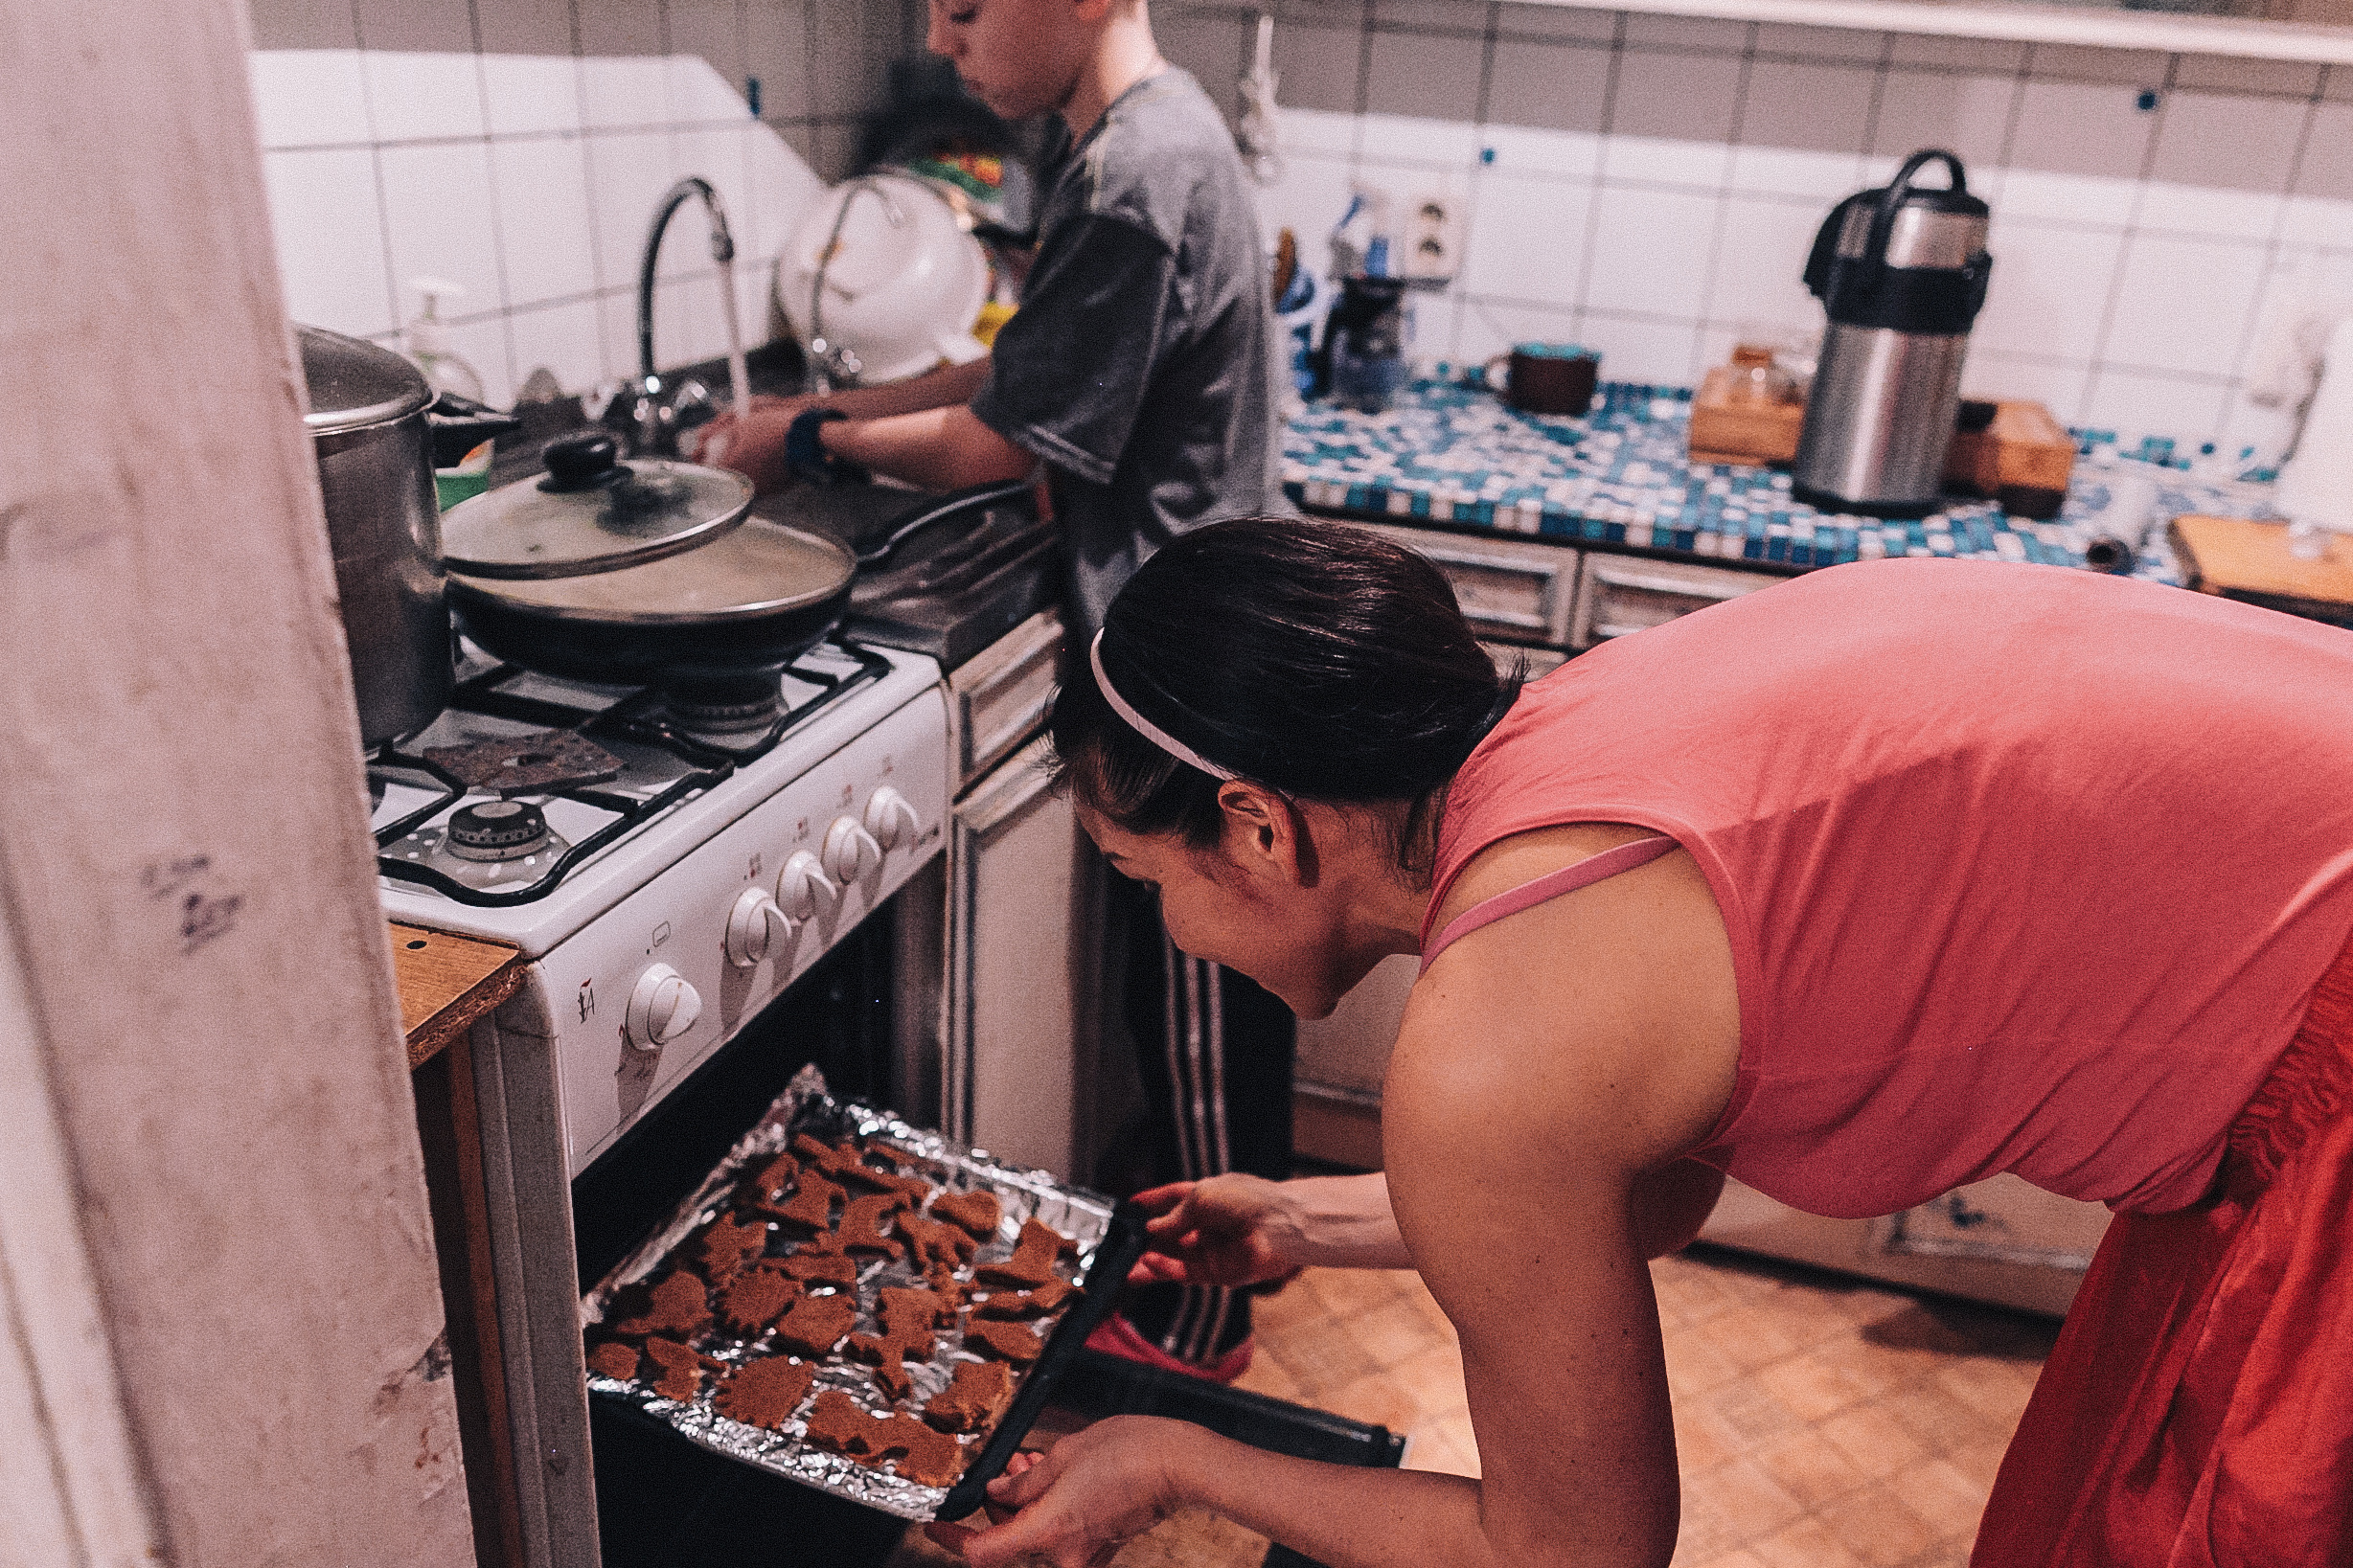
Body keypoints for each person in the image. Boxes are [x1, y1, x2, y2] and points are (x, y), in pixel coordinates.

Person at [927, 517, 2353, 1568]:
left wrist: (1178, 1455)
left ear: (1256, 824)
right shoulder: (1570, 744)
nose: (1168, 931)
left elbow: (1576, 1554)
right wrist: (1308, 1218)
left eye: (1142, 880)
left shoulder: (1494, 1039)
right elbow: (1647, 1176)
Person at [701, 0, 1291, 1375]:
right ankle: (1198, 1260)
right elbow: (1023, 369)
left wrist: (803, 441)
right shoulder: (1129, 143)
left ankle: (1206, 1324)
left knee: (1202, 1000)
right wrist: (831, 414)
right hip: (1184, 619)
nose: (944, 44)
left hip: (1189, 658)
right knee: (1184, 997)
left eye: (967, 8)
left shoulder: (1137, 175)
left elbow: (994, 443)